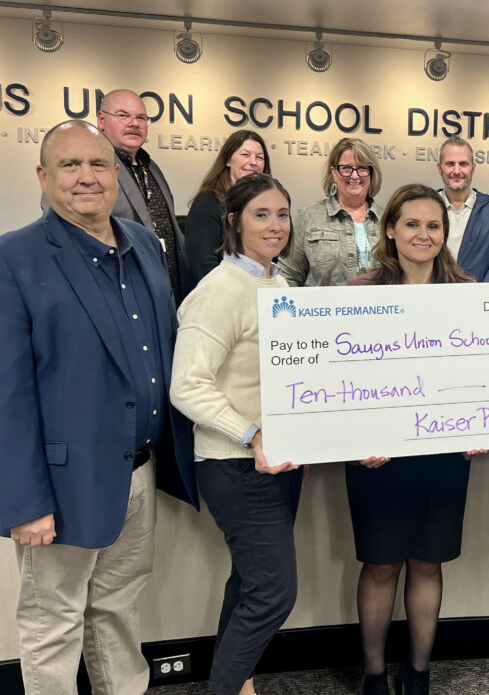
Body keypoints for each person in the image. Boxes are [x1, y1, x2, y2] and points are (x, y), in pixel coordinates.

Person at [0, 120, 198, 694]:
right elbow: (8, 393)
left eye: (98, 164)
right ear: (43, 176)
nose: (86, 177)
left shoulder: (143, 244)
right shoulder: (15, 258)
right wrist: (25, 503)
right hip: (62, 483)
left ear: (117, 173)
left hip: (139, 471)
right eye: (70, 165)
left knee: (117, 609)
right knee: (53, 623)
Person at [170, 173, 302, 695]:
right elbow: (187, 385)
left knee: (251, 584)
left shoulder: (279, 284)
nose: (275, 225)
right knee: (274, 592)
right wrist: (251, 435)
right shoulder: (220, 290)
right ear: (234, 222)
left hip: (277, 465)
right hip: (236, 464)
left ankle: (238, 683)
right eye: (261, 215)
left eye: (282, 214)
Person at [345, 183, 480, 695]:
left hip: (443, 454)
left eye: (433, 225)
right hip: (376, 456)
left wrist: (483, 425)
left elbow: (482, 375)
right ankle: (374, 674)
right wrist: (357, 441)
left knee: (428, 562)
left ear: (445, 233)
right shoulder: (359, 293)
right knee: (380, 566)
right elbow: (340, 381)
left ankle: (419, 672)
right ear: (390, 230)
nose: (423, 234)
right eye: (412, 224)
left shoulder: (468, 294)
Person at [98, 88, 190, 298]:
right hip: (123, 290)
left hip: (168, 289)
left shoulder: (151, 167)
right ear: (102, 120)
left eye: (141, 118)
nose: (134, 123)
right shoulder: (92, 167)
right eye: (123, 115)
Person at [279, 137, 384, 286]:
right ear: (334, 173)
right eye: (346, 168)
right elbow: (288, 276)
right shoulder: (308, 217)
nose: (355, 175)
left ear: (371, 173)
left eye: (362, 168)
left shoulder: (388, 219)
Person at [185, 130, 270, 284]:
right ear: (228, 160)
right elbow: (204, 265)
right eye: (245, 155)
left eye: (259, 157)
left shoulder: (267, 206)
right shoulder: (207, 201)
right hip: (221, 292)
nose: (253, 162)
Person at [434, 135, 489, 281]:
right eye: (450, 164)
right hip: (430, 293)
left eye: (463, 164)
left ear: (473, 168)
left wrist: (480, 292)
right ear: (440, 168)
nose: (457, 171)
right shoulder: (425, 206)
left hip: (477, 293)